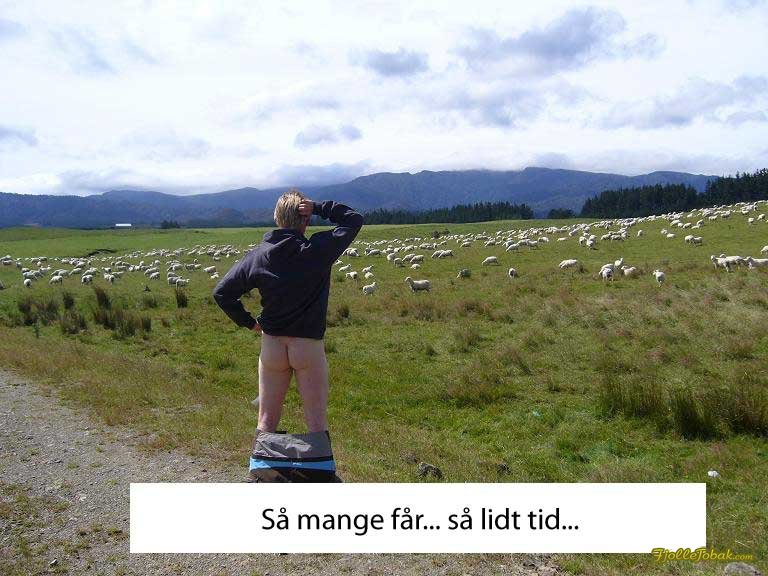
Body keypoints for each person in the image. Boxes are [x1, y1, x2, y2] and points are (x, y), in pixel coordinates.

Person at [212, 189, 363, 481]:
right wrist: (320, 207)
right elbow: (353, 220)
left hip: (272, 346)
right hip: (307, 347)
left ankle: (261, 475)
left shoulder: (258, 255)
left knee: (266, 418)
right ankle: (320, 478)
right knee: (315, 420)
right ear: (305, 218)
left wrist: (249, 323)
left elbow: (222, 292)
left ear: (276, 218)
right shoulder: (318, 249)